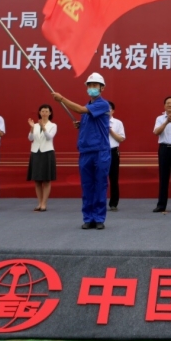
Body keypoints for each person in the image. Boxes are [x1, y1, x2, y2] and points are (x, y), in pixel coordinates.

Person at [52, 72, 111, 229]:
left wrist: (62, 99)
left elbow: (80, 109)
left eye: (95, 85)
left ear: (102, 88)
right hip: (85, 151)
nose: (92, 88)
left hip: (100, 151)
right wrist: (81, 125)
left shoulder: (102, 104)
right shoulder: (88, 107)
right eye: (89, 85)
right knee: (87, 186)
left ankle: (99, 218)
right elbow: (88, 120)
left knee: (100, 185)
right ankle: (88, 218)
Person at [27, 104, 57, 212]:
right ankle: (39, 203)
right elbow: (30, 138)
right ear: (39, 113)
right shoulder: (35, 125)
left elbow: (49, 137)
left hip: (47, 152)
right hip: (36, 152)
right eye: (42, 111)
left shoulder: (53, 125)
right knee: (37, 180)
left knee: (46, 180)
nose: (44, 113)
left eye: (46, 111)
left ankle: (44, 203)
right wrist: (31, 128)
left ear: (50, 113)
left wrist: (43, 128)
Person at [108, 101, 125, 211]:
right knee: (99, 178)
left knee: (113, 178)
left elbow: (121, 139)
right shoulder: (97, 122)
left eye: (109, 108)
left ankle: (113, 203)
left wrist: (109, 130)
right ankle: (98, 202)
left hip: (113, 152)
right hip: (100, 152)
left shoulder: (118, 123)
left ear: (113, 111)